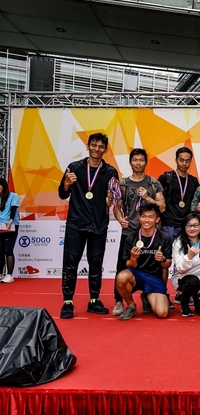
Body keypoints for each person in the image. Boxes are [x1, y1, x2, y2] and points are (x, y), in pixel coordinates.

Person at [58, 132, 119, 319]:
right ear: (88, 146)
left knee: (96, 264)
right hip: (76, 224)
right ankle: (68, 302)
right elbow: (62, 194)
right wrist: (66, 184)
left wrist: (112, 198)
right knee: (70, 264)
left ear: (105, 150)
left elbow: (115, 198)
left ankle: (94, 300)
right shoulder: (74, 167)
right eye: (93, 145)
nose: (96, 149)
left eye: (101, 146)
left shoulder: (110, 172)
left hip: (99, 226)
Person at [112, 148, 166, 316]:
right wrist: (120, 219)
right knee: (122, 267)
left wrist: (148, 198)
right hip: (129, 233)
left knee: (155, 266)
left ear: (146, 162)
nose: (138, 163)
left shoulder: (153, 183)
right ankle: (119, 301)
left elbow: (162, 207)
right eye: (135, 160)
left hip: (151, 234)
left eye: (141, 160)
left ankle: (152, 294)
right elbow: (116, 207)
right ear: (130, 162)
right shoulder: (123, 183)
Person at [115, 203, 173, 320]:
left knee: (162, 313)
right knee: (121, 277)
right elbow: (129, 265)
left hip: (154, 278)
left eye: (151, 217)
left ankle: (146, 297)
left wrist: (162, 259)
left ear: (157, 219)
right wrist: (133, 258)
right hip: (136, 276)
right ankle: (131, 306)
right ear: (139, 218)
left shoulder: (164, 238)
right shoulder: (131, 238)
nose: (146, 220)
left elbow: (167, 264)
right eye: (144, 216)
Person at [172, 213, 200, 317]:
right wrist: (189, 257)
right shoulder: (178, 243)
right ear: (184, 227)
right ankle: (184, 303)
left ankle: (196, 298)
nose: (192, 228)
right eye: (189, 225)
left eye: (195, 225)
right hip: (183, 279)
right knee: (192, 280)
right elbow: (180, 269)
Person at [158, 147, 200, 242]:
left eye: (187, 161)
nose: (184, 164)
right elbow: (158, 200)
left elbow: (196, 201)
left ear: (191, 162)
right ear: (176, 160)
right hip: (169, 224)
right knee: (168, 250)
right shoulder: (165, 178)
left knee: (186, 251)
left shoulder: (193, 181)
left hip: (187, 225)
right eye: (181, 160)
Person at [0, 178, 19, 283]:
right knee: (0, 251)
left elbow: (13, 209)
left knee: (8, 250)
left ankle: (9, 275)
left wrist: (10, 221)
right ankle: (0, 274)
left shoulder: (13, 196)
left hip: (11, 225)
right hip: (0, 225)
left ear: (3, 186)